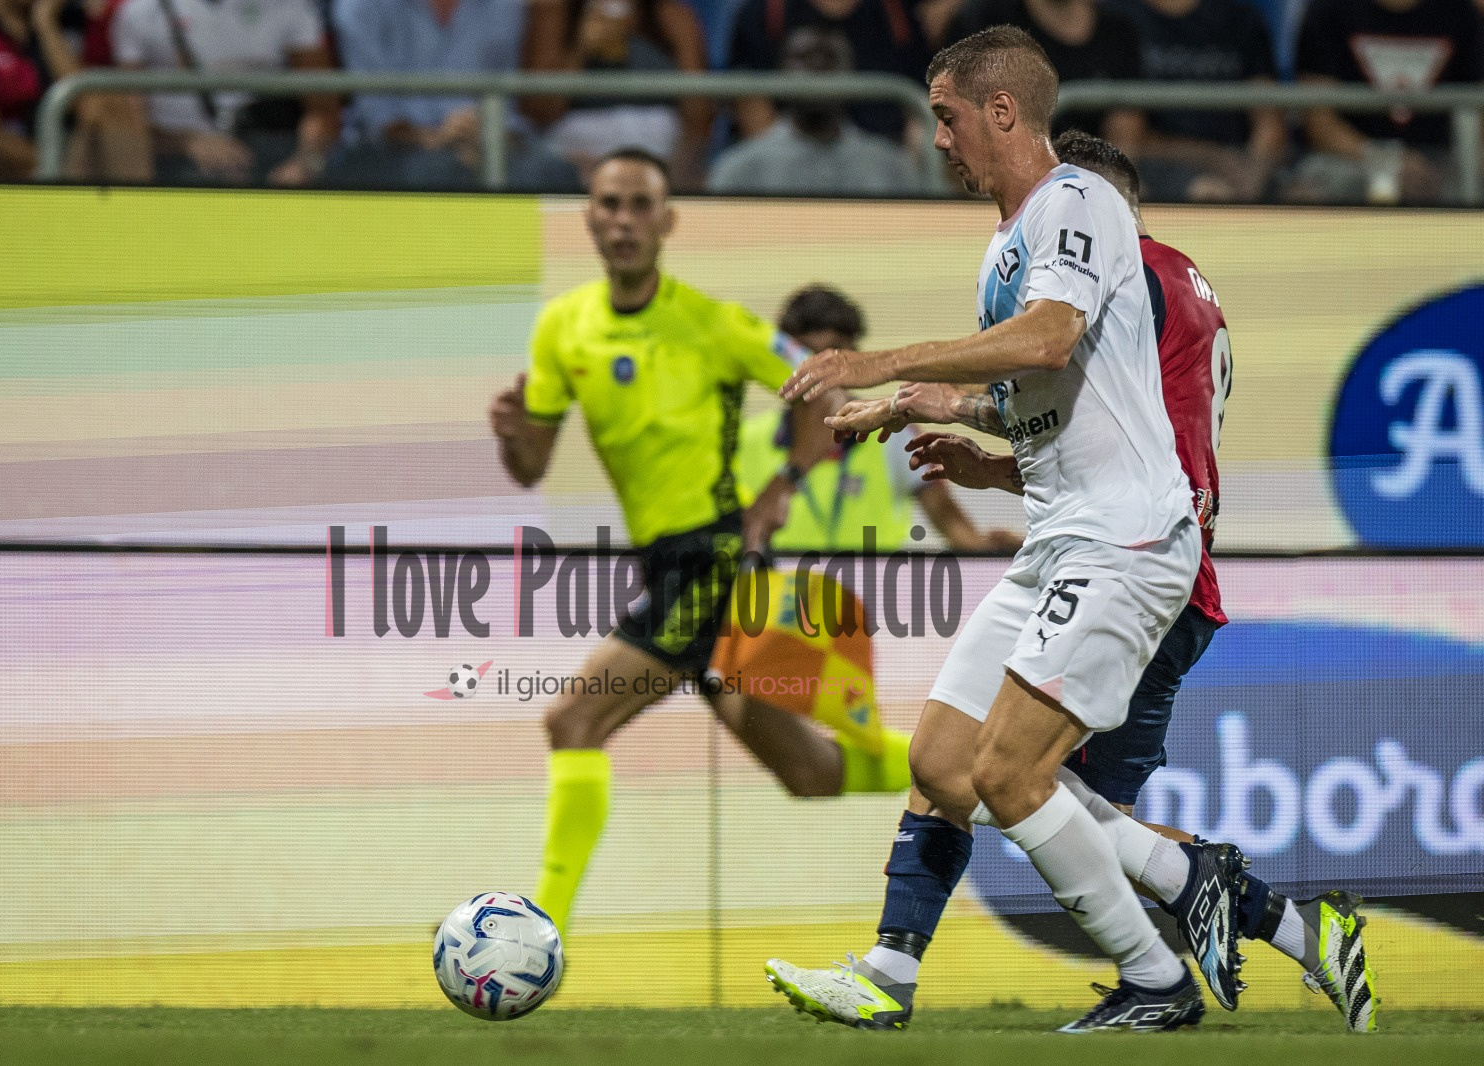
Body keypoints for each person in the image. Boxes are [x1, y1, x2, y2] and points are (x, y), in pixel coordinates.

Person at [772, 129, 1375, 1034]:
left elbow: (1154, 456)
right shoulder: (1173, 285)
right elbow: (1089, 426)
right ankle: (891, 968)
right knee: (965, 769)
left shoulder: (1140, 278)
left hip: (1141, 566)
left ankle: (1246, 930)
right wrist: (984, 451)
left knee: (1038, 790)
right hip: (1104, 549)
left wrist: (901, 378)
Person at [763, 26, 1211, 1032]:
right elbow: (1035, 390)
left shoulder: (1081, 200)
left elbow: (1050, 335)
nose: (936, 140)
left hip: (1124, 538)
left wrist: (873, 366)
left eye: (945, 117)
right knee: (941, 759)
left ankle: (1155, 977)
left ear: (1000, 111)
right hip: (1060, 534)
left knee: (1010, 771)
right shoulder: (1007, 245)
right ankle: (892, 970)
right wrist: (934, 413)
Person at [489, 147, 903, 936]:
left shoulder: (712, 324)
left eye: (640, 205)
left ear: (666, 221)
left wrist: (780, 486)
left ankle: (540, 935)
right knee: (810, 773)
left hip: (712, 559)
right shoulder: (561, 327)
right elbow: (530, 465)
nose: (623, 221)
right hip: (669, 563)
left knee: (573, 723)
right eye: (609, 204)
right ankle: (975, 773)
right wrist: (513, 437)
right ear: (589, 216)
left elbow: (829, 389)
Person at [707, 283, 1021, 800]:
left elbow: (955, 530)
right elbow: (740, 541)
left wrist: (995, 549)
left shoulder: (894, 435)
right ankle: (974, 775)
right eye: (804, 355)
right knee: (796, 764)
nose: (819, 374)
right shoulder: (751, 443)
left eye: (833, 357)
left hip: (881, 633)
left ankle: (982, 778)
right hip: (788, 632)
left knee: (859, 771)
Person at [331, 0, 578, 191]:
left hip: (489, 141)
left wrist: (492, 136)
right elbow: (377, 115)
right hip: (393, 148)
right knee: (435, 170)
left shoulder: (506, 5)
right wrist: (439, 138)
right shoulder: (359, 6)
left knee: (557, 172)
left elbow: (513, 106)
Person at [113, 0, 339, 186]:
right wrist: (187, 143)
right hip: (169, 167)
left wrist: (305, 163)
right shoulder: (140, 12)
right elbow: (127, 123)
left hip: (267, 161)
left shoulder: (289, 7)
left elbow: (323, 108)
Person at [1289, 0, 1484, 205]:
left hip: (1440, 161)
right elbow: (1319, 123)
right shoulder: (1328, 10)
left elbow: (1478, 112)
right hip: (1350, 158)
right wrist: (1388, 161)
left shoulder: (1463, 12)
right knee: (1306, 194)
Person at [0, 0, 151, 181]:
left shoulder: (64, 18)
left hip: (65, 148)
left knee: (110, 104)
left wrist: (46, 24)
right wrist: (54, 169)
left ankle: (135, 209)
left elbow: (81, 98)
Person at [708, 27, 922, 196]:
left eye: (829, 58)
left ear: (851, 71)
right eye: (804, 58)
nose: (818, 69)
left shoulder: (891, 166)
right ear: (781, 71)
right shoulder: (741, 169)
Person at [521, 0, 713, 188]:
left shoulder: (674, 16)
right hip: (573, 164)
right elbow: (539, 112)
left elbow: (700, 117)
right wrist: (581, 48)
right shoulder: (555, 12)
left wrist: (671, 170)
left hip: (663, 162)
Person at [1117, 0, 1287, 202]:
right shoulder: (1121, 19)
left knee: (1302, 195)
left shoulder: (1241, 19)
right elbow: (1124, 136)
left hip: (1240, 158)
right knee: (1206, 192)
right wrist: (1211, 158)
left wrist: (1252, 179)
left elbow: (1269, 122)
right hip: (1155, 161)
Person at [728, 0, 934, 146]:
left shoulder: (901, 13)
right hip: (784, 177)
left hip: (882, 175)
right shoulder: (764, 13)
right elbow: (755, 126)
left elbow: (921, 111)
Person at [949, 0, 1144, 153]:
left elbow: (1124, 136)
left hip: (1092, 184)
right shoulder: (984, 22)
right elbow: (963, 127)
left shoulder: (1119, 32)